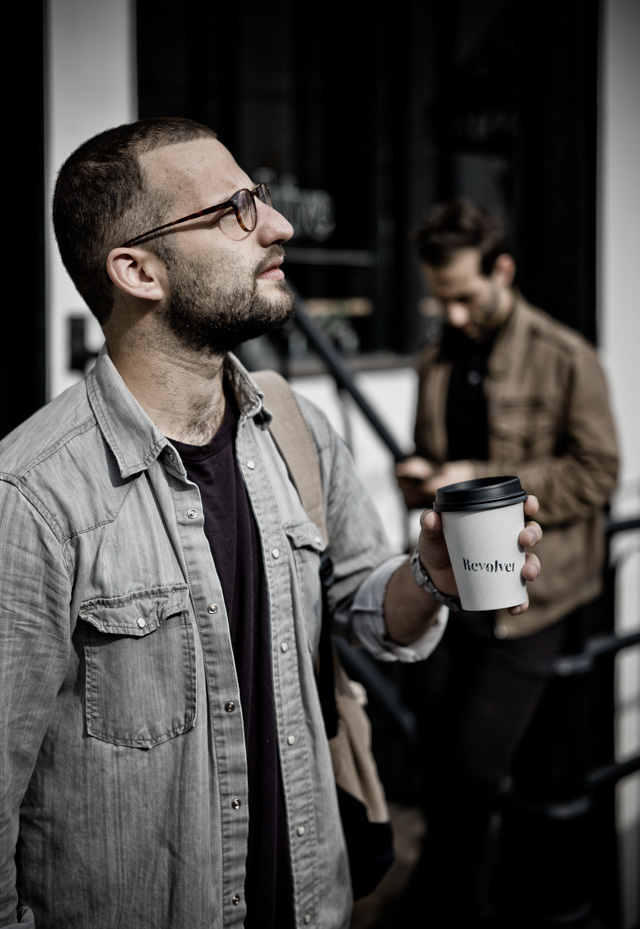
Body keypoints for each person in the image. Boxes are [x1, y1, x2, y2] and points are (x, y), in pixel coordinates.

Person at [0, 122, 542, 929]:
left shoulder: (294, 425)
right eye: (236, 209)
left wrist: (432, 578)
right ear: (138, 269)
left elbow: (363, 600)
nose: (279, 224)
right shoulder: (33, 497)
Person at [395, 198, 619, 927]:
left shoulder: (566, 357)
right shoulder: (436, 359)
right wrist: (422, 474)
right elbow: (436, 456)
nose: (452, 315)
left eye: (465, 296)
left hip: (534, 598)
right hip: (452, 594)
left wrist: (481, 473)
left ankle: (448, 903)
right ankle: (448, 894)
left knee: (472, 769)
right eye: (440, 299)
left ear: (504, 269)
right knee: (440, 761)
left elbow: (597, 473)